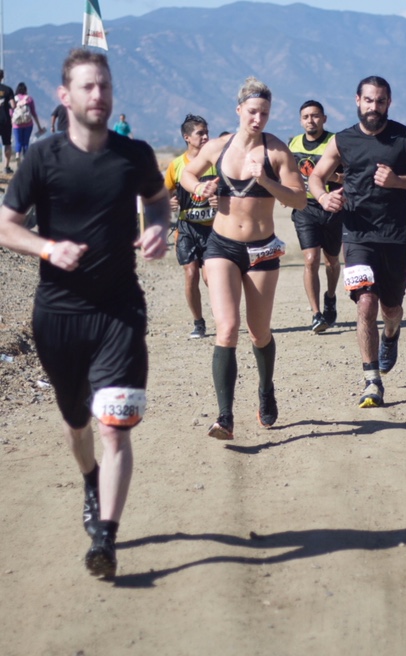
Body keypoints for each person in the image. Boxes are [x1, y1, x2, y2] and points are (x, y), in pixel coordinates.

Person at [0, 48, 169, 579]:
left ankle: (105, 537)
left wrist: (159, 225)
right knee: (76, 426)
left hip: (119, 310)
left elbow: (159, 199)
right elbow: (5, 225)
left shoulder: (135, 154)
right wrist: (48, 250)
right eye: (88, 87)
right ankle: (91, 479)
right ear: (64, 95)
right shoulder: (43, 158)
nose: (99, 95)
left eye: (105, 86)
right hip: (58, 315)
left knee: (115, 426)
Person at [179, 78, 307, 439]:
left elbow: (298, 199)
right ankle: (225, 417)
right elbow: (187, 173)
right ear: (239, 110)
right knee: (228, 327)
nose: (258, 118)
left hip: (261, 249)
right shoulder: (219, 147)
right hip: (221, 246)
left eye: (264, 113)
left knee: (259, 331)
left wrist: (266, 181)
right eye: (252, 111)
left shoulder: (278, 152)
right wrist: (199, 187)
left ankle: (266, 391)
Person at [309, 75, 406, 408]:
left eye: (380, 101)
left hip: (395, 235)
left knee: (390, 308)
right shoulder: (342, 140)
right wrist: (324, 199)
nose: (374, 107)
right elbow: (316, 177)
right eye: (368, 100)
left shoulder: (404, 137)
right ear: (357, 101)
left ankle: (391, 333)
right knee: (366, 303)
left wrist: (398, 180)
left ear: (388, 103)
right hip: (357, 234)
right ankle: (371, 380)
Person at [287, 100, 343, 333]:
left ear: (324, 118)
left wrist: (329, 179)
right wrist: (286, 192)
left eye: (315, 116)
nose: (311, 120)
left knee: (331, 261)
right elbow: (287, 173)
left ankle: (330, 296)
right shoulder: (293, 144)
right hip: (305, 208)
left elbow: (349, 177)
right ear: (301, 120)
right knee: (310, 259)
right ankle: (316, 314)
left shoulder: (336, 142)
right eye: (306, 116)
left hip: (332, 208)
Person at [164, 114, 219, 338]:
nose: (206, 136)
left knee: (210, 277)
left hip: (213, 229)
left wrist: (221, 200)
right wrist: (169, 201)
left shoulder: (217, 162)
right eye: (200, 133)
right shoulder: (176, 166)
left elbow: (232, 190)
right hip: (186, 228)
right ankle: (199, 323)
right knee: (190, 274)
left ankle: (223, 319)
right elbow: (163, 193)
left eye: (207, 132)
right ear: (187, 137)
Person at [10, 82, 45, 164]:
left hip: (17, 124)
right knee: (26, 142)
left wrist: (12, 121)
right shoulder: (29, 99)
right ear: (25, 90)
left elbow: (11, 112)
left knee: (18, 141)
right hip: (28, 123)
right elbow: (33, 113)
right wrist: (39, 126)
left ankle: (18, 154)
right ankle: (25, 159)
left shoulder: (14, 99)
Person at [0, 70, 13, 173]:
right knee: (7, 143)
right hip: (5, 120)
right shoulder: (8, 90)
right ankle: (6, 167)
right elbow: (13, 105)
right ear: (2, 77)